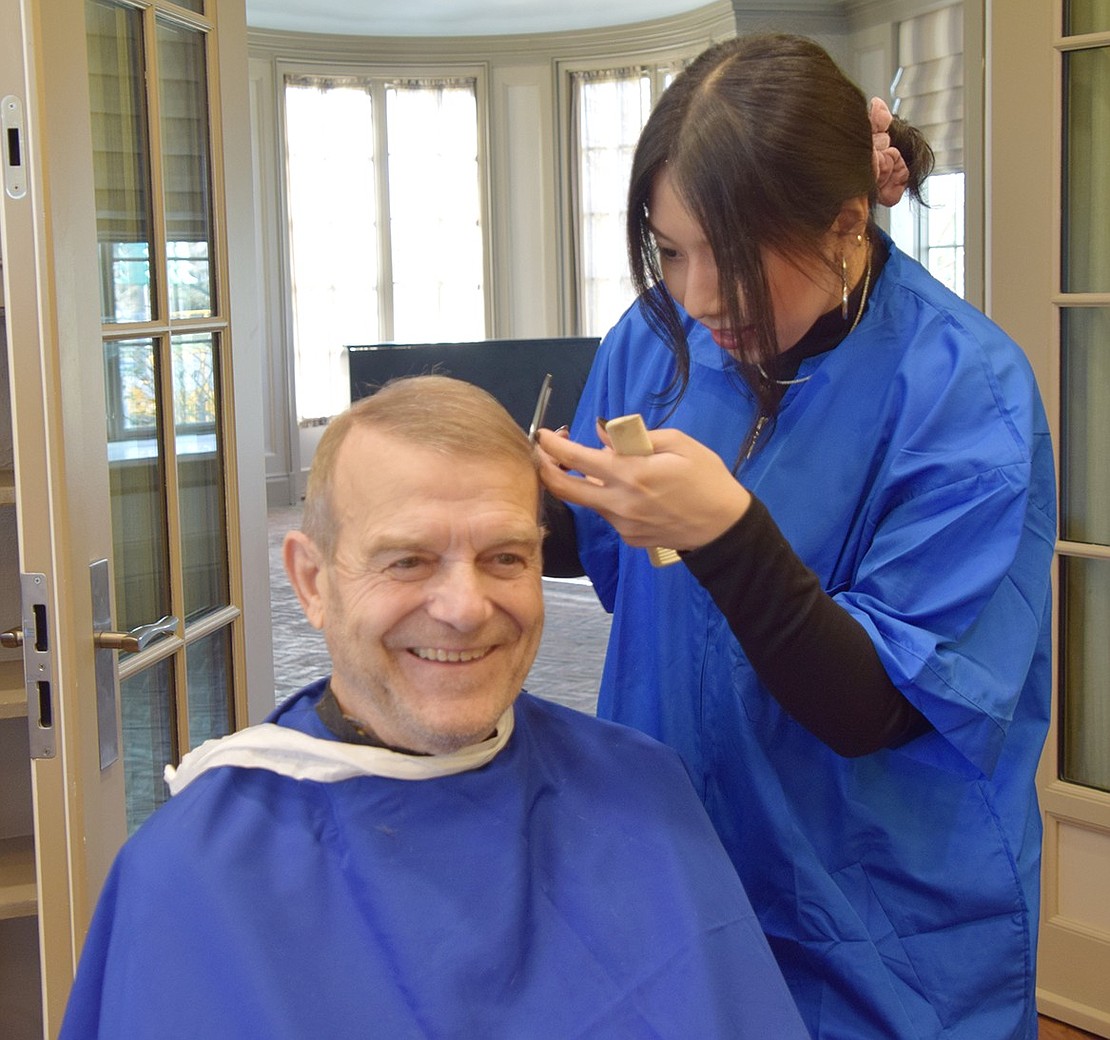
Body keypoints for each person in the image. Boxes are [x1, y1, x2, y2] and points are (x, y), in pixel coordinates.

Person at [538, 33, 1056, 1040]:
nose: (693, 296)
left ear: (846, 226)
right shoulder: (653, 344)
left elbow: (877, 707)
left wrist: (729, 532)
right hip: (682, 889)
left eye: (727, 257)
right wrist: (506, 504)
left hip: (886, 934)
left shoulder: (964, 393)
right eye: (669, 249)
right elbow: (608, 554)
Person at [59, 375, 808, 1040]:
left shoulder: (646, 795)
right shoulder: (189, 878)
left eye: (505, 557)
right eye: (408, 561)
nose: (464, 608)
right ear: (313, 582)